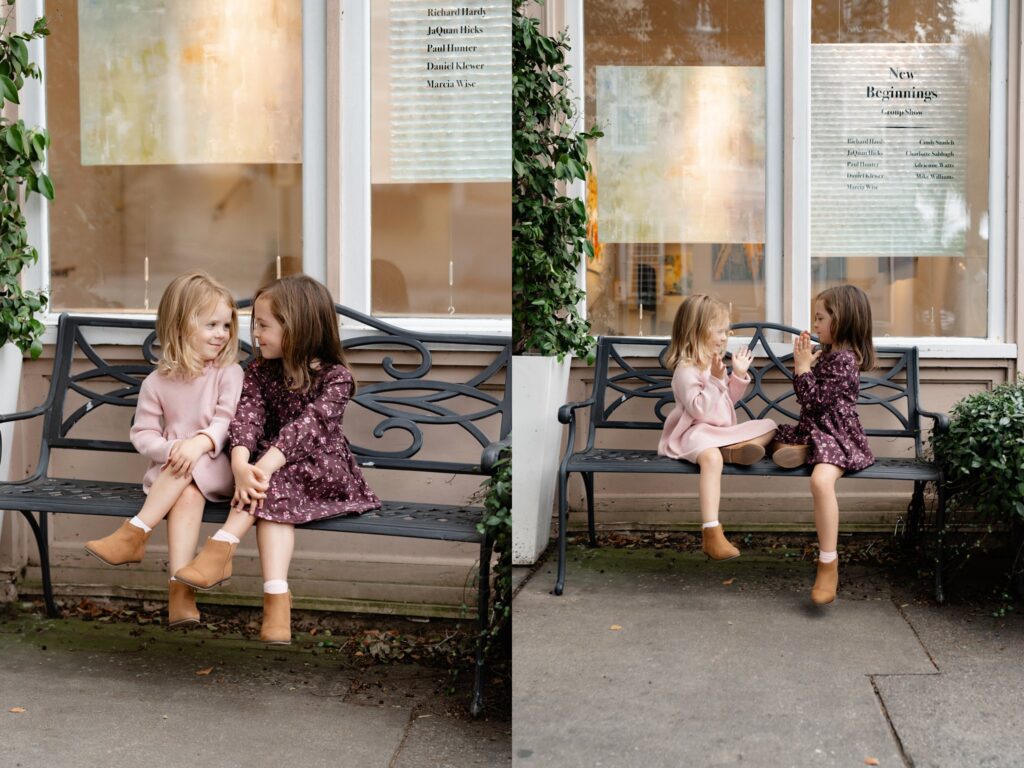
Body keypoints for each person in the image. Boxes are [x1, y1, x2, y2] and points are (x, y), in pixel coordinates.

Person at [173, 274, 381, 644]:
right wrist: (239, 462)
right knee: (270, 496)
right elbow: (247, 417)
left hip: (322, 471)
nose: (256, 335)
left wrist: (261, 466)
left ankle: (221, 547)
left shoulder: (336, 378)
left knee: (270, 483)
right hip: (267, 477)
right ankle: (276, 599)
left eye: (264, 326)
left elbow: (308, 428)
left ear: (296, 328)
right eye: (256, 326)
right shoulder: (259, 370)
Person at [85, 271, 243, 628]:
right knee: (185, 491)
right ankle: (180, 594)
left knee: (187, 467)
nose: (222, 334)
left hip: (216, 466)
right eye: (211, 325)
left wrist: (197, 444)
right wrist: (175, 448)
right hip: (173, 475)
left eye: (226, 325)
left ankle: (136, 531)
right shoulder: (157, 382)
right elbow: (142, 434)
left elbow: (227, 421)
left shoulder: (228, 373)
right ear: (180, 326)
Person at [771, 284, 876, 605]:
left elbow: (814, 401)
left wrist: (802, 368)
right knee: (769, 430)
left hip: (836, 438)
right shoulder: (830, 354)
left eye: (820, 318)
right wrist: (808, 364)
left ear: (841, 319)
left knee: (820, 481)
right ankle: (794, 449)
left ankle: (828, 563)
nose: (815, 325)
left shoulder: (845, 361)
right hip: (815, 431)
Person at [658, 294, 777, 561]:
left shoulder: (713, 366)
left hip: (719, 433)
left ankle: (736, 450)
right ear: (696, 332)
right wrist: (713, 379)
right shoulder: (685, 371)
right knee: (711, 457)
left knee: (769, 424)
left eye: (726, 330)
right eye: (720, 330)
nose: (725, 337)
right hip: (694, 433)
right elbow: (700, 410)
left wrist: (736, 375)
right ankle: (711, 532)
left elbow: (726, 404)